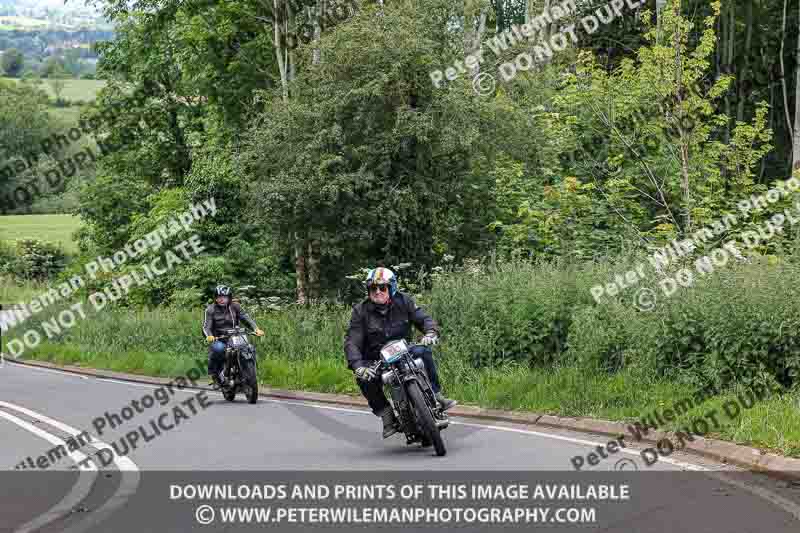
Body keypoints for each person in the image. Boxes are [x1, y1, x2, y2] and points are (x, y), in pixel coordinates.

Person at [344, 267, 457, 438]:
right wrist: (358, 366)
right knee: (364, 378)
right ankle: (386, 414)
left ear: (391, 288)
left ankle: (436, 395)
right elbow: (352, 341)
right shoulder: (360, 311)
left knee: (423, 351)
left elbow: (423, 318)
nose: (377, 292)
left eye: (382, 288)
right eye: (373, 288)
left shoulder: (404, 301)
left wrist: (430, 333)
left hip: (404, 350)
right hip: (377, 358)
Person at [203, 285, 264, 387]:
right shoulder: (210, 309)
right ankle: (216, 376)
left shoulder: (235, 306)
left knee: (249, 348)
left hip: (235, 336)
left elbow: (246, 318)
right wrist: (209, 336)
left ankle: (248, 373)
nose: (222, 299)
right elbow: (206, 327)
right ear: (215, 298)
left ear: (229, 297)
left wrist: (256, 329)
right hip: (219, 338)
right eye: (219, 297)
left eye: (224, 297)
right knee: (219, 349)